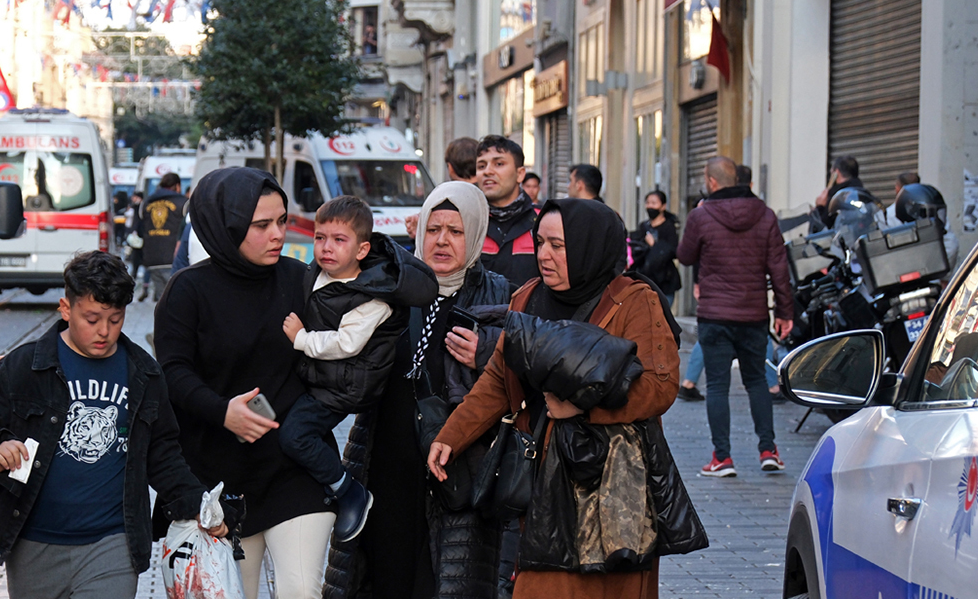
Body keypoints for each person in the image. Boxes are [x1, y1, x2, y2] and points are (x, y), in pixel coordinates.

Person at [428, 198, 705, 599]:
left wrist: (584, 405)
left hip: (612, 486)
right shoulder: (526, 298)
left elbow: (659, 387)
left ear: (588, 245)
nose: (544, 255)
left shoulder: (633, 301)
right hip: (544, 481)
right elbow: (496, 379)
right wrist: (450, 437)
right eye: (540, 243)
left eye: (558, 246)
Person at [0, 251, 226, 599]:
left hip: (113, 544)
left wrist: (198, 505)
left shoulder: (144, 374)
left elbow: (163, 454)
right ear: (65, 308)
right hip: (33, 543)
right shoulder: (25, 366)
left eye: (116, 320)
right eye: (92, 318)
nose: (104, 331)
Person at [326, 181, 514, 599]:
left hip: (458, 468)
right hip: (386, 459)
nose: (442, 240)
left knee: (445, 582)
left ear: (477, 234)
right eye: (433, 229)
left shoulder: (499, 293)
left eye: (456, 230)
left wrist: (486, 352)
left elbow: (520, 370)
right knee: (383, 573)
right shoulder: (391, 288)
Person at [154, 168, 333, 599]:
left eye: (282, 221)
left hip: (297, 469)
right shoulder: (187, 290)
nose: (277, 234)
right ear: (225, 225)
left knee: (303, 590)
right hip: (219, 483)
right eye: (261, 225)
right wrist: (224, 413)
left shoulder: (301, 279)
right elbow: (173, 375)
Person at [277, 195, 435, 543]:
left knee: (295, 436)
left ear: (362, 250)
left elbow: (346, 343)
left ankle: (348, 490)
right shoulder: (319, 273)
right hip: (318, 377)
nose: (326, 248)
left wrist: (301, 339)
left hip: (342, 388)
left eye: (339, 240)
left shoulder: (372, 297)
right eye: (320, 238)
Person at [678, 157, 793, 478]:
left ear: (712, 182)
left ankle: (723, 458)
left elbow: (685, 255)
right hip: (754, 314)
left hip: (715, 314)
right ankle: (768, 450)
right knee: (757, 381)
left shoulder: (701, 215)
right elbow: (779, 269)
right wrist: (785, 312)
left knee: (716, 386)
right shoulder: (766, 215)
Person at [477, 135, 539, 287]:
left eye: (498, 163)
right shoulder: (468, 223)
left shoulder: (542, 221)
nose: (487, 171)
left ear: (520, 174)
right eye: (481, 166)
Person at [137, 173, 188, 302]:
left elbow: (140, 229)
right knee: (178, 301)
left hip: (152, 258)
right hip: (173, 258)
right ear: (177, 186)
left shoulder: (146, 203)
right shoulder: (183, 203)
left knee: (163, 300)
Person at [630, 190, 681, 306]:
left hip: (664, 280)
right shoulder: (643, 226)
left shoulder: (669, 227)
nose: (650, 206)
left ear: (663, 206)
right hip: (645, 278)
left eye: (654, 203)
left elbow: (673, 251)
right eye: (648, 203)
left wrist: (655, 245)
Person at [813, 155, 864, 229]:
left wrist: (820, 207)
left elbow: (822, 227)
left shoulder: (837, 198)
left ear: (836, 173)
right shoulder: (862, 194)